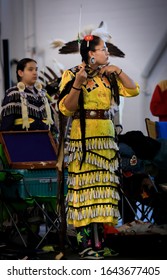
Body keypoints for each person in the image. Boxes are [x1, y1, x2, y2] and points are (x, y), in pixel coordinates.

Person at [58, 28, 140, 259]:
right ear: (91, 54)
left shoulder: (109, 75)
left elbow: (134, 90)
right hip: (83, 139)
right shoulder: (73, 73)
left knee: (103, 192)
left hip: (105, 137)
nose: (107, 52)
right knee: (85, 190)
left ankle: (99, 244)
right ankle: (85, 244)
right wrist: (78, 83)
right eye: (103, 49)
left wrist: (119, 70)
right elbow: (66, 108)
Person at [0, 58, 54, 131]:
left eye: (36, 69)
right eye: (30, 69)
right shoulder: (13, 94)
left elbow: (52, 122)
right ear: (20, 73)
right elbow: (6, 126)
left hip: (44, 140)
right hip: (22, 140)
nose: (35, 73)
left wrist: (55, 137)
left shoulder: (42, 94)